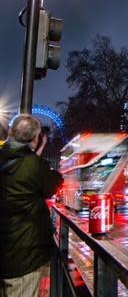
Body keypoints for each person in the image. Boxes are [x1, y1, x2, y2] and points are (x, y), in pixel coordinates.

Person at [0, 114, 63, 297]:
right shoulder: (36, 166)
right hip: (24, 255)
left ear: (10, 132)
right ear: (35, 139)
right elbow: (53, 183)